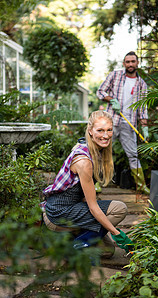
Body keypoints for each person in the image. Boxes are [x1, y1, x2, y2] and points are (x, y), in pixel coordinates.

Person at [42, 110, 133, 257]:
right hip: (59, 213)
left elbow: (84, 197)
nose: (106, 135)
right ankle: (73, 247)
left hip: (71, 208)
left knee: (107, 251)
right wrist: (118, 234)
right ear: (90, 131)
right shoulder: (84, 161)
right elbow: (92, 206)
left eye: (109, 130)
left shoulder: (95, 151)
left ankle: (74, 238)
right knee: (119, 208)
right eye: (100, 130)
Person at [96, 51, 150, 195]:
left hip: (129, 123)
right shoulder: (115, 76)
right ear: (124, 63)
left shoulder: (142, 84)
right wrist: (111, 100)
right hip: (111, 122)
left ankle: (141, 185)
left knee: (133, 155)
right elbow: (100, 91)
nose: (130, 64)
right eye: (128, 62)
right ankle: (95, 183)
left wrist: (145, 127)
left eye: (133, 61)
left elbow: (143, 107)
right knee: (100, 151)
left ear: (137, 63)